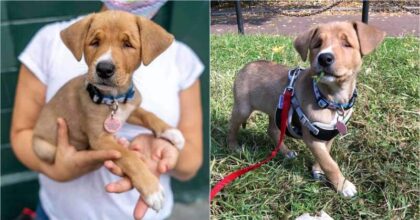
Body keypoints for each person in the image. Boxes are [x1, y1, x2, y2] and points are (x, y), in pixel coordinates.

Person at [10, 1, 204, 219]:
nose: (106, 62)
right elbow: (22, 134)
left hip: (147, 215)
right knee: (46, 149)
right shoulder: (48, 42)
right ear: (81, 42)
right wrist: (57, 169)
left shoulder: (181, 60)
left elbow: (191, 162)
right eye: (95, 42)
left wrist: (165, 145)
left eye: (127, 44)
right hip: (60, 213)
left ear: (147, 49)